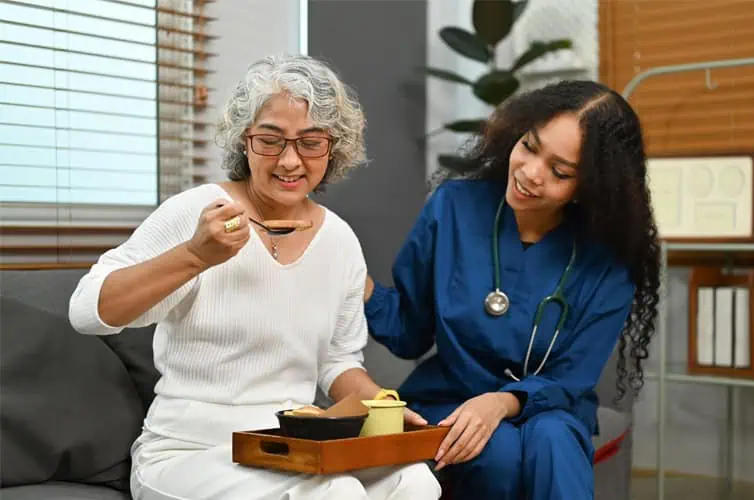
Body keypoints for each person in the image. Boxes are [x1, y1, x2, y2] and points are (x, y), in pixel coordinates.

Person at [69, 55, 441, 500]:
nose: (289, 161)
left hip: (289, 448)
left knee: (415, 481)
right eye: (270, 140)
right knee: (334, 493)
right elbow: (87, 312)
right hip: (187, 452)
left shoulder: (340, 240)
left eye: (310, 143)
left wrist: (383, 406)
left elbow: (338, 361)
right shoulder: (199, 213)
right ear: (244, 142)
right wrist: (194, 255)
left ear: (333, 148)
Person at [363, 80, 661, 500]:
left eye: (560, 172)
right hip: (451, 397)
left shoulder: (608, 259)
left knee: (553, 441)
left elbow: (571, 376)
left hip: (549, 406)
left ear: (590, 187)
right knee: (497, 451)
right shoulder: (453, 209)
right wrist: (357, 284)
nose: (529, 173)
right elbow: (410, 330)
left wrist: (502, 403)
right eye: (528, 146)